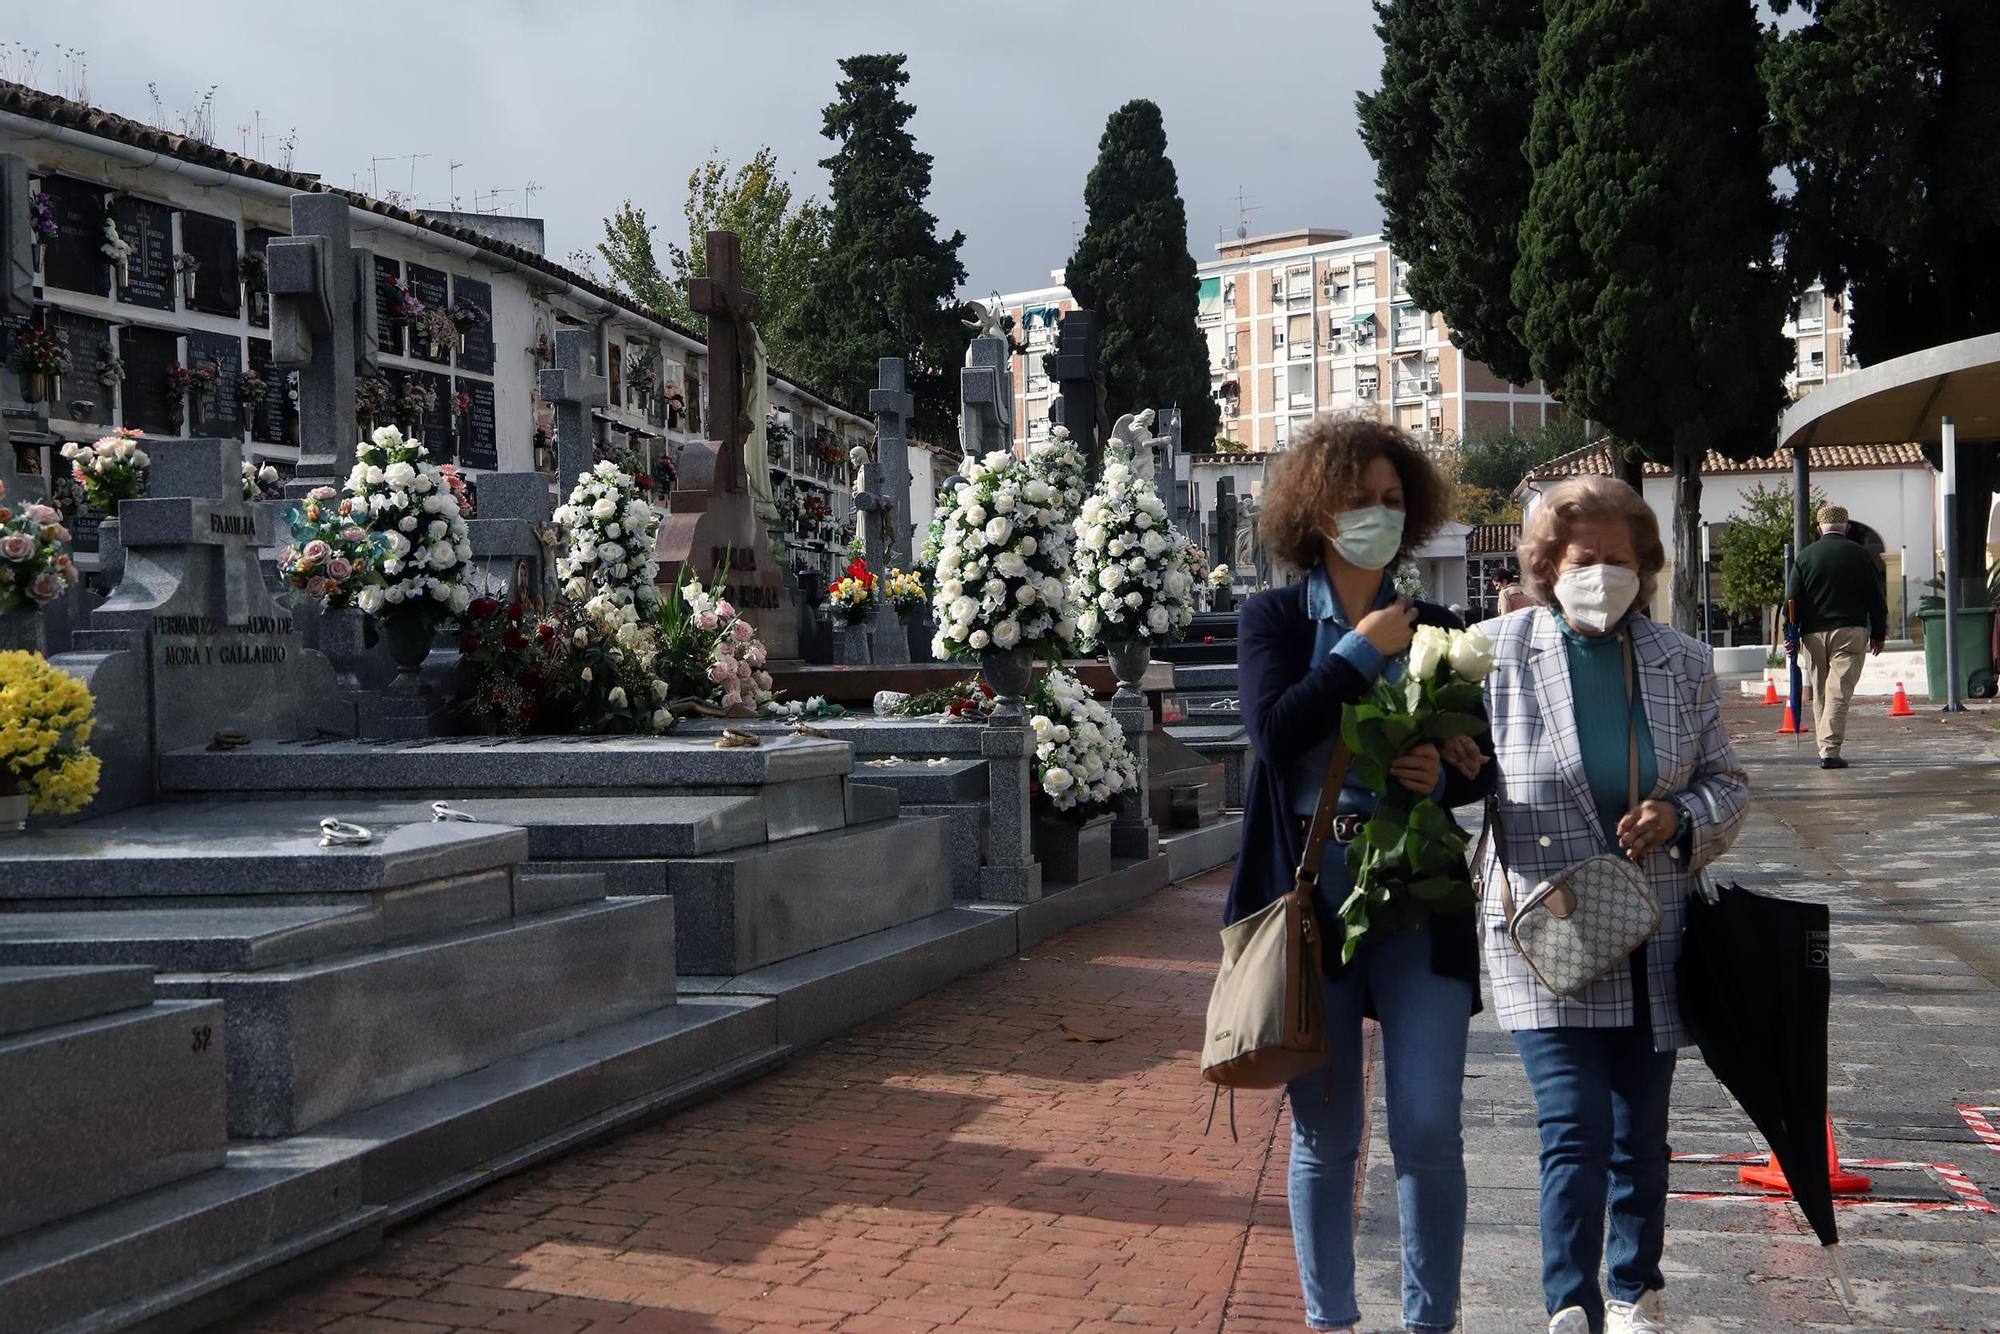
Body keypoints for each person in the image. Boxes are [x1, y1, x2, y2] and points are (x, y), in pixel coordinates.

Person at [1229, 418, 1496, 1334]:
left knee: (1427, 1131)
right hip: (1312, 904)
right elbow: (1274, 736)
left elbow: (1484, 764)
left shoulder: (1443, 628)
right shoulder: (1270, 619)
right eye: (1358, 501)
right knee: (1327, 1139)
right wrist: (1360, 650)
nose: (1378, 517)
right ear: (1316, 511)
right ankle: (1331, 1322)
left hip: (1420, 902)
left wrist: (1449, 767)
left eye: (1392, 501)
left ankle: (1431, 1324)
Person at [1475, 477, 1749, 1334]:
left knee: (1641, 1133)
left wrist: (1680, 817)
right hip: (1546, 932)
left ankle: (1635, 1287)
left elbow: (1729, 786)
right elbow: (1456, 790)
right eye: (1586, 560)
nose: (1603, 576)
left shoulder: (1683, 662)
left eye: (1620, 561)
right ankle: (1570, 1302)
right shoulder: (1494, 654)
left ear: (1647, 565)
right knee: (1573, 1125)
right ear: (1549, 564)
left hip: (1653, 928)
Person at [1791, 504, 1887, 770]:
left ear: (1820, 527)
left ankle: (1825, 747)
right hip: (1849, 631)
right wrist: (1878, 633)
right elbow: (1876, 598)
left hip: (1811, 634)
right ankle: (1830, 751)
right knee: (1838, 691)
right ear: (1846, 527)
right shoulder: (1861, 555)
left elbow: (1792, 598)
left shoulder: (1805, 557)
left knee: (1822, 690)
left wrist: (1791, 633)